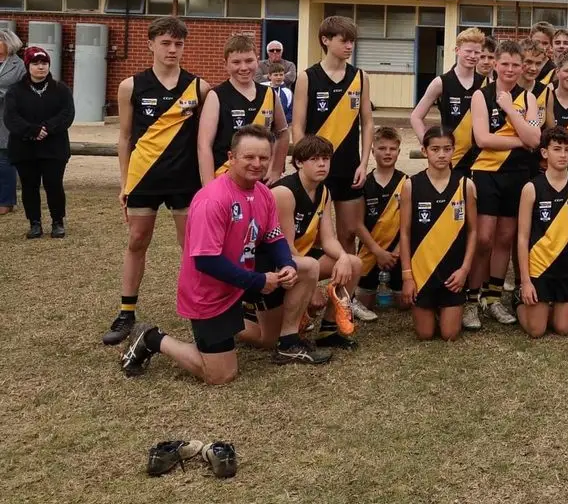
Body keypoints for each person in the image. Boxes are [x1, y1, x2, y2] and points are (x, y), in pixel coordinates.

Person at [119, 125, 328, 383]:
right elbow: (206, 261)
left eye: (263, 158)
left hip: (243, 279)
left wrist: (286, 263)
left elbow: (273, 236)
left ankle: (286, 342)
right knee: (220, 375)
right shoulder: (213, 199)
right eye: (249, 157)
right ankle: (151, 337)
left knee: (299, 280)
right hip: (211, 291)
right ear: (231, 157)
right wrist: (259, 281)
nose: (257, 164)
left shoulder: (263, 192)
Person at [105, 17, 211, 347]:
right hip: (144, 178)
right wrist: (125, 182)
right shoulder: (131, 86)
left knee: (191, 247)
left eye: (178, 43)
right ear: (150, 44)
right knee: (137, 241)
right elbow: (125, 138)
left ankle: (200, 309)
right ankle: (126, 312)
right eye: (165, 43)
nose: (172, 49)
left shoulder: (200, 88)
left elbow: (206, 140)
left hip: (185, 180)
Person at [466, 39, 541, 325]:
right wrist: (521, 141)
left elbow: (535, 139)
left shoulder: (528, 98)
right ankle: (471, 300)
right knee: (484, 238)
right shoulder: (480, 95)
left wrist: (510, 109)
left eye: (515, 65)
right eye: (505, 64)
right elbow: (483, 139)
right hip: (486, 172)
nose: (510, 69)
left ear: (522, 67)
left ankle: (493, 298)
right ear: (495, 64)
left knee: (505, 238)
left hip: (517, 175)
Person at [292, 15, 374, 269]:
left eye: (352, 41)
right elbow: (298, 125)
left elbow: (367, 123)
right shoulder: (307, 77)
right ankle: (312, 286)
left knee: (348, 233)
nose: (350, 46)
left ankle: (346, 290)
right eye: (344, 41)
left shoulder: (360, 77)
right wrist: (303, 163)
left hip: (349, 168)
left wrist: (363, 163)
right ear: (325, 40)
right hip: (317, 169)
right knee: (314, 236)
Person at [271, 134, 362, 348]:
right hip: (277, 261)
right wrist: (312, 285)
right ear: (299, 162)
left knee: (354, 263)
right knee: (267, 338)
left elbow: (328, 238)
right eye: (314, 159)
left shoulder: (324, 191)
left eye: (326, 158)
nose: (322, 164)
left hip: (303, 258)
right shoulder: (284, 192)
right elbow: (285, 246)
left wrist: (343, 258)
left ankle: (328, 331)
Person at [400, 126, 478, 341]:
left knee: (449, 334)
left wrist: (464, 270)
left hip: (453, 275)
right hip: (422, 273)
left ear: (453, 150)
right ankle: (431, 306)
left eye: (447, 149)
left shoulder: (465, 185)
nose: (442, 154)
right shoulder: (411, 186)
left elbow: (473, 231)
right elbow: (404, 233)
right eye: (435, 149)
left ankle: (446, 307)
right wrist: (407, 276)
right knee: (425, 334)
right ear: (424, 151)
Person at [516, 127, 568, 337]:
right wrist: (525, 281)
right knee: (536, 331)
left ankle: (549, 309)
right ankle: (520, 303)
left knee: (563, 328)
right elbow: (522, 238)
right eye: (557, 149)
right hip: (539, 267)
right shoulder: (531, 188)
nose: (563, 155)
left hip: (567, 268)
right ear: (544, 152)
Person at [198, 33, 287, 185]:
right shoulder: (216, 95)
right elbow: (204, 145)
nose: (244, 67)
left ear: (257, 61)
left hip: (260, 181)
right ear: (225, 64)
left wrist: (276, 170)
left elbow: (283, 132)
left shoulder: (269, 94)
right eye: (236, 62)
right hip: (225, 178)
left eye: (249, 61)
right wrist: (209, 185)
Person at [4, 47, 74, 239]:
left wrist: (47, 128)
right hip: (25, 147)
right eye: (36, 63)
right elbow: (11, 117)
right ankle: (34, 223)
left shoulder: (61, 89)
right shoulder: (15, 91)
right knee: (29, 186)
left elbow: (67, 114)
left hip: (54, 147)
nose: (41, 67)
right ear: (28, 66)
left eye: (44, 63)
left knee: (54, 184)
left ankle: (57, 222)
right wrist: (32, 130)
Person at [410, 28, 486, 175]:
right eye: (468, 51)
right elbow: (416, 116)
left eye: (477, 52)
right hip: (452, 157)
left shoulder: (487, 83)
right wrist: (429, 144)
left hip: (480, 157)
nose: (472, 56)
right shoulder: (441, 82)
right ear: (457, 50)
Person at [355, 126, 410, 314]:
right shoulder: (364, 183)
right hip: (370, 252)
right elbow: (357, 224)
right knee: (364, 304)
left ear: (398, 152)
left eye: (392, 149)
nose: (388, 153)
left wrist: (396, 253)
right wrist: (378, 252)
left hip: (398, 255)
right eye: (382, 148)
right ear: (372, 151)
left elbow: (409, 224)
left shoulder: (407, 182)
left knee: (404, 304)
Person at [0, 29, 24, 217]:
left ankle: (6, 201)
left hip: (5, 118)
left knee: (4, 160)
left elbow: (19, 90)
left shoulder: (19, 65)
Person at [265, 62, 293, 126]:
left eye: (281, 75)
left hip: (282, 126)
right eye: (276, 75)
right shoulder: (263, 89)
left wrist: (281, 123)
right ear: (269, 76)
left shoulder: (288, 92)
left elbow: (290, 111)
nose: (279, 77)